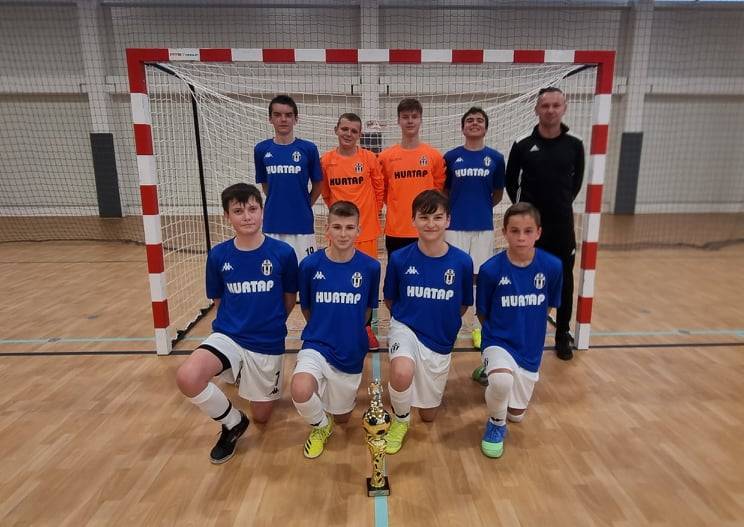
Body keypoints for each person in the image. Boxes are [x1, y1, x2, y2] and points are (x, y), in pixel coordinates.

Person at [175, 183, 299, 464]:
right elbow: (218, 299)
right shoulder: (219, 255)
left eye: (252, 209)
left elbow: (289, 298)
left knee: (262, 417)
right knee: (188, 377)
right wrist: (235, 324)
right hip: (229, 335)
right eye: (238, 211)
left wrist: (269, 323)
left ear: (262, 212)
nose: (247, 216)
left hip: (266, 342)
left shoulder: (283, 253)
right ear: (227, 216)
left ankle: (241, 371)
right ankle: (232, 422)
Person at [382, 190, 473, 454]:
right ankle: (400, 421)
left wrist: (440, 321)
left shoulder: (462, 262)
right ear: (413, 220)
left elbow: (462, 305)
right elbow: (390, 299)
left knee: (429, 415)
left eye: (437, 217)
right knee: (401, 371)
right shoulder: (400, 258)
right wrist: (410, 319)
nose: (430, 223)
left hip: (439, 338)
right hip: (406, 328)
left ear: (448, 220)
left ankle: (416, 401)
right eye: (424, 217)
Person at [291, 201, 381, 458]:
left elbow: (367, 311)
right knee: (300, 389)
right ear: (327, 229)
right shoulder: (310, 265)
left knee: (343, 418)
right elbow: (307, 308)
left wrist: (348, 331)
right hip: (317, 343)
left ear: (358, 231)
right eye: (337, 227)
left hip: (350, 350)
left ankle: (332, 411)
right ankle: (320, 425)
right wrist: (324, 328)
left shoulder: (371, 267)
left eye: (349, 227)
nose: (343, 234)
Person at [475, 202, 562, 458]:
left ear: (538, 232)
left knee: (516, 415)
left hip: (530, 347)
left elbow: (548, 306)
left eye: (527, 231)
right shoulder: (490, 270)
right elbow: (482, 313)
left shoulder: (552, 267)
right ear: (504, 232)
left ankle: (491, 373)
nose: (521, 237)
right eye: (514, 231)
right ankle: (495, 424)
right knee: (501, 383)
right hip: (499, 340)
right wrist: (496, 337)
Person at [504, 86, 584, 360]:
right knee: (525, 278)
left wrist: (558, 207)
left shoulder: (575, 145)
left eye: (555, 105)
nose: (550, 110)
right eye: (545, 105)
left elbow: (575, 183)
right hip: (529, 229)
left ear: (564, 108)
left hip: (561, 228)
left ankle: (562, 333)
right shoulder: (523, 144)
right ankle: (522, 331)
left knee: (564, 280)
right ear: (536, 109)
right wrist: (527, 217)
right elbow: (511, 182)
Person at [320, 113, 384, 350]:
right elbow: (326, 194)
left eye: (354, 131)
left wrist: (369, 214)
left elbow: (379, 189)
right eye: (344, 129)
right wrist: (339, 221)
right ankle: (338, 323)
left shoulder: (369, 158)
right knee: (338, 279)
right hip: (339, 233)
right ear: (336, 130)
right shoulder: (326, 161)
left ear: (360, 135)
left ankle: (366, 327)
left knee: (366, 280)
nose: (348, 134)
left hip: (366, 231)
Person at [443, 107, 505, 350]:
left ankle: (478, 327)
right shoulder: (451, 157)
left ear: (486, 128)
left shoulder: (496, 158)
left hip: (483, 227)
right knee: (455, 276)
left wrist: (480, 208)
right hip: (455, 226)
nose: (474, 123)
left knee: (480, 277)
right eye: (469, 120)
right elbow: (445, 191)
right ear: (463, 127)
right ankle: (451, 324)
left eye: (479, 120)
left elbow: (497, 193)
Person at [254, 94, 323, 262]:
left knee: (305, 270)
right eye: (277, 115)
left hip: (302, 223)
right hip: (273, 222)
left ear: (296, 119)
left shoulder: (309, 149)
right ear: (270, 119)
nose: (283, 119)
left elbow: (318, 184)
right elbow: (265, 185)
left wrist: (304, 203)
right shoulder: (261, 149)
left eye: (288, 115)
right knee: (275, 270)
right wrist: (279, 201)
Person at [378, 98, 445, 256]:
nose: (410, 121)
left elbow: (438, 191)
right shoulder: (385, 157)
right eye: (405, 117)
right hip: (397, 230)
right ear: (398, 120)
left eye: (414, 117)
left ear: (421, 120)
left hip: (427, 229)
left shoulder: (434, 156)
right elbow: (383, 192)